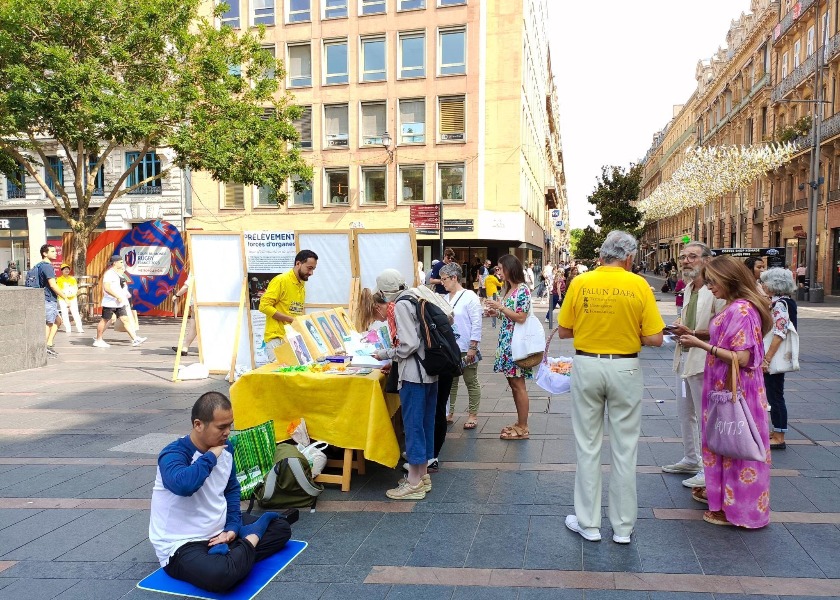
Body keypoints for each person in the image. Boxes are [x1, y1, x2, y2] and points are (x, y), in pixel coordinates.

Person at [557, 230, 665, 544]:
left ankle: (589, 524)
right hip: (626, 367)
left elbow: (565, 330)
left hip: (588, 364)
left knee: (587, 446)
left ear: (603, 254)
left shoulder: (581, 282)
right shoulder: (639, 285)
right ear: (629, 257)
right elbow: (656, 338)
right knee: (625, 448)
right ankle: (622, 528)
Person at [149, 392, 292, 593]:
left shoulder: (227, 448)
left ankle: (234, 552)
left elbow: (231, 489)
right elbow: (184, 486)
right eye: (221, 427)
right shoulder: (173, 454)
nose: (228, 432)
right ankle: (250, 541)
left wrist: (232, 527)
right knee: (220, 576)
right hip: (181, 544)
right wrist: (210, 457)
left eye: (230, 425)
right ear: (198, 425)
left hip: (220, 529)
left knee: (281, 528)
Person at [679, 256, 772, 528]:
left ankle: (739, 511)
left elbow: (741, 358)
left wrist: (699, 343)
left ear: (728, 279)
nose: (709, 287)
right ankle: (721, 497)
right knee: (725, 442)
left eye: (712, 282)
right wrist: (695, 332)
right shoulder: (736, 306)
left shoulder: (742, 309)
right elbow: (725, 337)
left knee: (738, 444)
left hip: (736, 389)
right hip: (726, 387)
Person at [359, 269, 438, 499]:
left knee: (413, 426)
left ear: (384, 291)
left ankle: (413, 483)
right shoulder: (416, 295)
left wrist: (387, 353)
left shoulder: (401, 304)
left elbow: (409, 345)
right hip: (430, 371)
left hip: (414, 374)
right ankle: (422, 475)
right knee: (424, 425)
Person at [663, 242, 725, 490]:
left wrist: (694, 333)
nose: (686, 261)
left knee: (706, 416)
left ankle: (707, 468)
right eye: (683, 257)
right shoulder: (689, 288)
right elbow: (689, 319)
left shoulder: (717, 290)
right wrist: (677, 326)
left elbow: (724, 328)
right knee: (685, 412)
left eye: (692, 256)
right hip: (685, 357)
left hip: (705, 360)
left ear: (707, 260)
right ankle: (691, 458)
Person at [485, 254, 533, 441]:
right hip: (507, 342)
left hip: (516, 343)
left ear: (509, 268)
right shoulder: (510, 289)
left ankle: (523, 427)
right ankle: (520, 423)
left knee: (518, 384)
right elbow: (510, 316)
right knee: (513, 384)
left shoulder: (522, 290)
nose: (498, 272)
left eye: (500, 268)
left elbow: (521, 317)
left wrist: (501, 308)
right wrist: (496, 312)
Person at [760, 267, 798, 451]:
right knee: (774, 395)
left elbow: (779, 333)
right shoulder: (785, 302)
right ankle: (776, 432)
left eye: (765, 282)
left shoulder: (780, 304)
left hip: (773, 357)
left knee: (775, 396)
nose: (763, 285)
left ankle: (780, 435)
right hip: (774, 355)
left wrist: (766, 359)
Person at [440, 262, 482, 431]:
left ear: (454, 278)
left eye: (444, 279)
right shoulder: (443, 298)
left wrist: (473, 345)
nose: (442, 282)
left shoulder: (470, 296)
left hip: (465, 345)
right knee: (451, 381)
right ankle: (449, 412)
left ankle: (473, 414)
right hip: (449, 347)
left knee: (470, 380)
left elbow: (477, 322)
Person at [259, 250, 318, 355]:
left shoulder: (302, 285)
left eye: (313, 269)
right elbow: (263, 306)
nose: (311, 273)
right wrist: (291, 320)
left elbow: (294, 310)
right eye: (309, 268)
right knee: (279, 371)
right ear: (298, 264)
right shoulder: (281, 280)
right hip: (277, 339)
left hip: (292, 338)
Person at [94, 256, 146, 348]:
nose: (122, 264)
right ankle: (98, 339)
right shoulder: (109, 274)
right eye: (121, 262)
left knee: (125, 319)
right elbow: (107, 288)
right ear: (115, 263)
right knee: (105, 320)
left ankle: (135, 338)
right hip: (110, 302)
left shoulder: (117, 274)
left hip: (119, 302)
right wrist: (116, 296)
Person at [33, 244, 67, 357]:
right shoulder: (47, 266)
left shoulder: (39, 265)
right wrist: (64, 296)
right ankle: (44, 348)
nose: (55, 253)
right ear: (45, 253)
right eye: (52, 251)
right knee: (49, 323)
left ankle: (49, 344)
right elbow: (53, 285)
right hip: (48, 299)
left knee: (58, 321)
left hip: (45, 298)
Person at [171, 272, 197, 356]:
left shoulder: (196, 266)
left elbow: (187, 285)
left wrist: (177, 295)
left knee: (195, 326)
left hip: (198, 300)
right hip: (205, 300)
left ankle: (186, 347)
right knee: (194, 325)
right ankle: (185, 347)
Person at [56, 263, 84, 334]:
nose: (67, 270)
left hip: (72, 298)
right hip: (63, 299)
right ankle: (68, 328)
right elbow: (59, 289)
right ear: (62, 270)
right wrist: (65, 297)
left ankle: (79, 328)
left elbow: (75, 288)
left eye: (68, 269)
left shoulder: (72, 279)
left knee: (75, 313)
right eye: (65, 269)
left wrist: (73, 295)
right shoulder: (59, 279)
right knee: (65, 313)